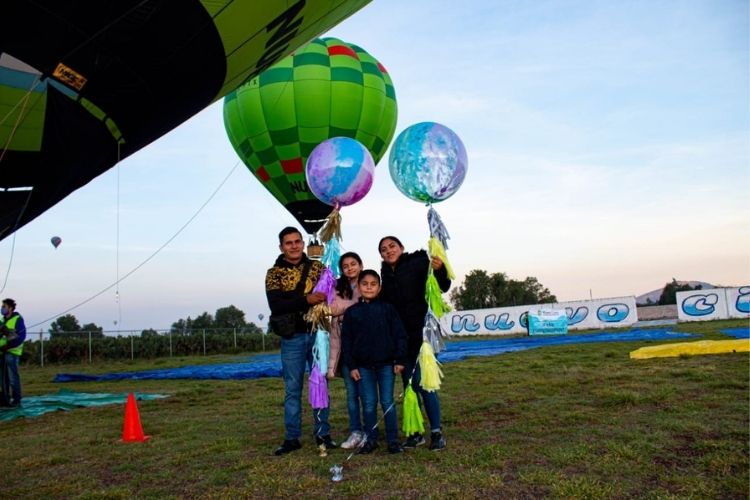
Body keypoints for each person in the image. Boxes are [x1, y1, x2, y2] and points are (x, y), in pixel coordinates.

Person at [266, 227, 336, 455]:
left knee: (320, 384)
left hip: (318, 335)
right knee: (293, 389)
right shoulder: (273, 273)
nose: (294, 246)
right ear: (281, 247)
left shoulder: (317, 268)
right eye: (289, 243)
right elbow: (276, 305)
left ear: (303, 244)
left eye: (297, 241)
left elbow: (330, 291)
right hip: (292, 337)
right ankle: (292, 437)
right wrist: (307, 299)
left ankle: (322, 433)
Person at [378, 236, 451, 451]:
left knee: (424, 383)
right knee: (409, 386)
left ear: (401, 247)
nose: (388, 251)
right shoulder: (385, 276)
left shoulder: (419, 262)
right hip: (402, 341)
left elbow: (443, 286)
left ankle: (436, 432)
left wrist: (439, 270)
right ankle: (416, 432)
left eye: (392, 246)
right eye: (383, 249)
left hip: (423, 334)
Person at [342, 269, 407, 454]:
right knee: (369, 403)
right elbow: (347, 341)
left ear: (379, 287)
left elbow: (399, 335)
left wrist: (399, 359)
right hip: (363, 368)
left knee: (387, 402)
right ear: (359, 287)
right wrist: (352, 365)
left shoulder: (388, 309)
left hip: (387, 365)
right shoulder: (352, 312)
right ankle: (370, 440)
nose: (369, 287)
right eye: (365, 284)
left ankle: (393, 441)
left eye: (373, 284)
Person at [327, 252, 366, 449]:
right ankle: (355, 431)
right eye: (345, 266)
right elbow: (332, 308)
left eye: (353, 264)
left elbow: (369, 303)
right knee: (352, 394)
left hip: (365, 344)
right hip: (344, 346)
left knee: (367, 392)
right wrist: (354, 306)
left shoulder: (369, 281)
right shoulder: (337, 286)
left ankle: (369, 431)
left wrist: (345, 307)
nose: (350, 268)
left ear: (360, 265)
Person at [0, 298, 26, 408]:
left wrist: (7, 346)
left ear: (10, 308)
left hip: (12, 352)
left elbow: (21, 337)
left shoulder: (17, 319)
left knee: (12, 378)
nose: (2, 309)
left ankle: (16, 400)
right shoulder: (2, 320)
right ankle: (5, 400)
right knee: (3, 378)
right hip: (1, 352)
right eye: (2, 307)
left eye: (4, 306)